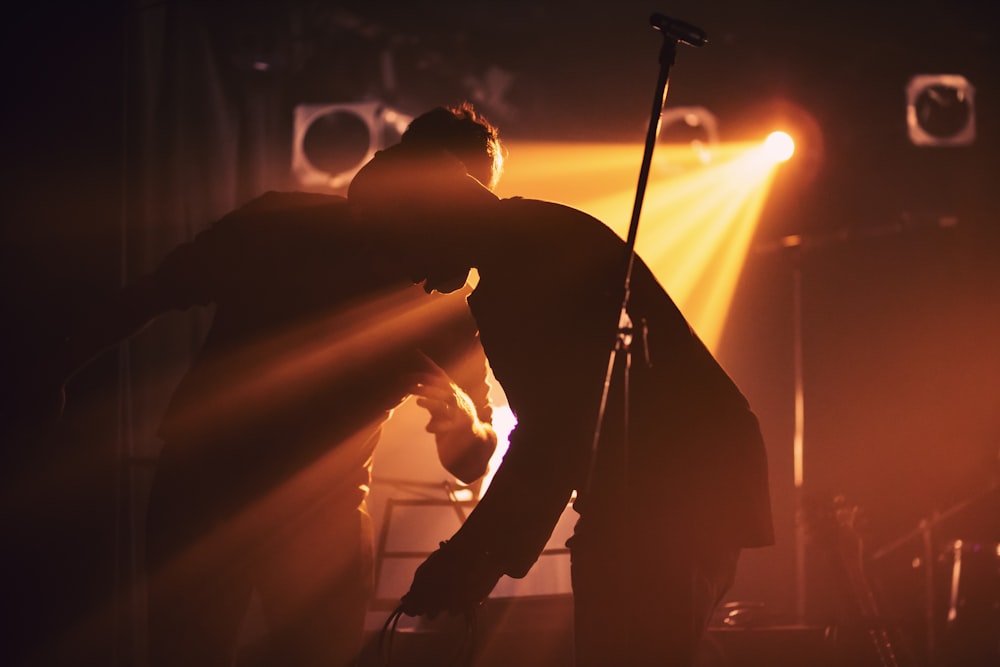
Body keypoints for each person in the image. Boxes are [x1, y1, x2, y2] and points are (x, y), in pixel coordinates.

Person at [46, 104, 503, 667]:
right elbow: (156, 291)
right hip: (210, 492)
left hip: (290, 512)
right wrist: (57, 368)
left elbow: (471, 462)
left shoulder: (448, 303)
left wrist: (463, 416)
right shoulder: (280, 225)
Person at [348, 144, 775, 666]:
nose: (407, 273)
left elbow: (555, 433)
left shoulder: (526, 266)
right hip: (670, 488)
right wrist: (479, 557)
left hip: (669, 492)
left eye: (392, 243)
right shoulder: (532, 241)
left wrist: (473, 557)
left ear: (425, 212)